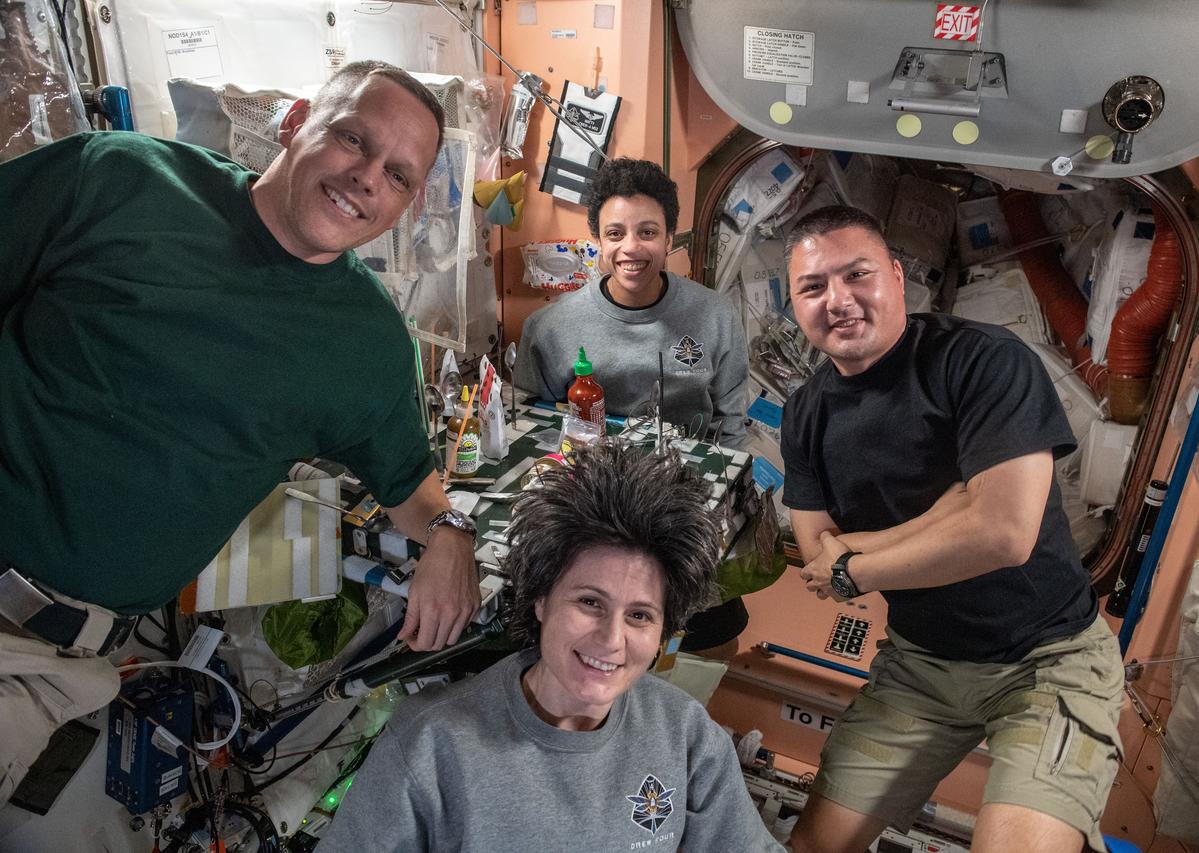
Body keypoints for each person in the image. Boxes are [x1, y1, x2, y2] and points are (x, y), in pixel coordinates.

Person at [0, 61, 479, 805]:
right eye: (353, 138)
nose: (367, 178)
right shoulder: (121, 178)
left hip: (38, 660)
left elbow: (407, 480)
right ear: (294, 124)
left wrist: (451, 532)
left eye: (398, 175)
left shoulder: (366, 345)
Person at [779, 206, 1125, 853]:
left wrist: (861, 561)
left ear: (895, 274)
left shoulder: (982, 362)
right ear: (795, 303)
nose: (839, 300)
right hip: (920, 666)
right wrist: (949, 510)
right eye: (813, 286)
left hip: (1048, 661)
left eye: (857, 274)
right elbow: (816, 554)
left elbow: (1003, 533)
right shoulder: (804, 412)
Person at [316, 442, 783, 852]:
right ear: (540, 599)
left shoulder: (684, 735)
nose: (611, 639)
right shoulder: (430, 744)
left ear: (664, 632)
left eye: (640, 615)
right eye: (589, 602)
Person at [515, 157, 749, 447]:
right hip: (587, 478)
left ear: (669, 240)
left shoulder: (717, 316)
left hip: (689, 478)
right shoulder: (548, 329)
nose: (631, 248)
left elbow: (730, 431)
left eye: (647, 232)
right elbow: (535, 427)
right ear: (599, 242)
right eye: (615, 234)